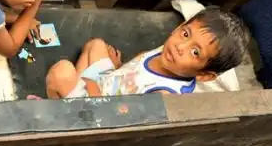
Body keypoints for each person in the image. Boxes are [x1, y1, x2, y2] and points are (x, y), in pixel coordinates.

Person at [45, 7, 249, 99]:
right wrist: (119, 68)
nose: (180, 46)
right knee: (96, 45)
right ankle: (74, 92)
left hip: (100, 111)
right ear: (179, 27)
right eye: (186, 34)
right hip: (107, 83)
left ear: (204, 75)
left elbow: (117, 118)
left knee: (61, 72)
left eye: (195, 52)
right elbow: (141, 61)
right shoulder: (168, 53)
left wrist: (90, 86)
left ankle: (61, 114)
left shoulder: (163, 95)